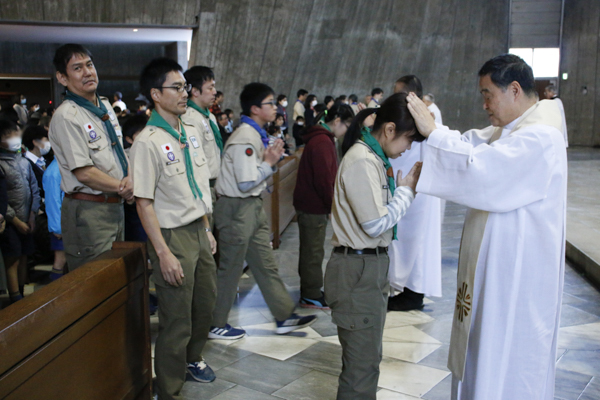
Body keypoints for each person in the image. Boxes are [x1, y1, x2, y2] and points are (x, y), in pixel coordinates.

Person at [406, 54, 567, 400]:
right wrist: (432, 134)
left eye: (487, 95)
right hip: (493, 275)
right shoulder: (509, 130)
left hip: (515, 282)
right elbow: (468, 145)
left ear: (513, 90)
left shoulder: (540, 137)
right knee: (482, 355)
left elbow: (483, 170)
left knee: (505, 363)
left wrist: (434, 134)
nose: (483, 105)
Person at [324, 93, 423, 400]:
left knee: (366, 361)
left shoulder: (374, 157)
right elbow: (375, 224)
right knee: (361, 369)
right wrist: (405, 193)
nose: (407, 148)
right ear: (389, 129)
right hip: (357, 269)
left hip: (367, 267)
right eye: (408, 139)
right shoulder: (362, 160)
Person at [132, 58, 219, 398]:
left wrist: (207, 227)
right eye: (177, 87)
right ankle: (168, 388)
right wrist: (163, 253)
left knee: (204, 304)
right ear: (156, 94)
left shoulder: (191, 131)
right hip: (172, 236)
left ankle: (192, 359)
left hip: (199, 229)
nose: (185, 93)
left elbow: (198, 187)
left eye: (185, 87)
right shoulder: (148, 141)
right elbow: (144, 202)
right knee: (177, 317)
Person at [211, 82, 317, 339]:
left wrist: (269, 159)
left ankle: (284, 316)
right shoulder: (245, 138)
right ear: (256, 108)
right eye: (270, 103)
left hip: (250, 206)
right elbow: (246, 181)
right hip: (237, 208)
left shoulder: (254, 133)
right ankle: (215, 323)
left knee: (265, 264)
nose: (276, 107)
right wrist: (269, 163)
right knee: (231, 268)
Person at [48, 43, 132, 271]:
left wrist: (129, 182)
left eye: (90, 65)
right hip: (88, 210)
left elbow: (117, 153)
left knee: (114, 277)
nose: (87, 72)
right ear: (62, 78)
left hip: (114, 204)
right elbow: (83, 172)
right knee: (95, 282)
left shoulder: (104, 105)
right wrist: (124, 187)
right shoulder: (67, 116)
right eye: (77, 68)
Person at [387, 75, 443, 312]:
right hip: (409, 184)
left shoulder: (428, 117)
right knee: (406, 241)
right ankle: (406, 288)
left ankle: (414, 293)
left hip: (420, 188)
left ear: (414, 96)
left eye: (400, 93)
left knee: (418, 242)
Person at [293, 103, 354, 310]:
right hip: (313, 206)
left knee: (312, 250)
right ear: (336, 121)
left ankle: (311, 289)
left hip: (311, 204)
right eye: (346, 126)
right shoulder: (322, 142)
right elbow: (324, 180)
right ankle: (310, 294)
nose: (346, 131)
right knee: (313, 252)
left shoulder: (322, 139)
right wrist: (332, 207)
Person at [0, 119, 41, 303]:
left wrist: (32, 214)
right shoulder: (1, 164)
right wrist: (15, 220)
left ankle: (22, 294)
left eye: (16, 134)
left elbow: (34, 188)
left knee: (24, 256)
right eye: (9, 136)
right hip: (10, 222)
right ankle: (15, 297)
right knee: (13, 259)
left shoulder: (23, 161)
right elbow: (1, 199)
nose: (15, 138)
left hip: (27, 217)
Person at [182, 65, 224, 229]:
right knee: (206, 237)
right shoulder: (189, 118)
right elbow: (193, 159)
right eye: (210, 87)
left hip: (214, 186)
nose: (214, 92)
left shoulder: (210, 117)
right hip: (203, 186)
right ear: (195, 91)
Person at [42, 158, 66, 281]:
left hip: (69, 221)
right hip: (60, 224)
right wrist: (57, 228)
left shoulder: (64, 165)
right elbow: (52, 202)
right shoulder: (53, 171)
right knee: (60, 260)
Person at [23, 125, 51, 197]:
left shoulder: (47, 161)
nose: (49, 143)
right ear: (35, 142)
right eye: (46, 140)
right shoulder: (25, 164)